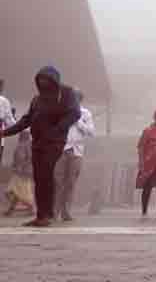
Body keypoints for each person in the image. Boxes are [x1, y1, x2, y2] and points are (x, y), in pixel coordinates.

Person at [0, 66, 82, 228]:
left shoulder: (66, 93)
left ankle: (48, 214)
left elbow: (74, 113)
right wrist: (5, 133)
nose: (43, 82)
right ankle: (41, 215)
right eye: (40, 79)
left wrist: (58, 129)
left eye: (46, 79)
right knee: (39, 178)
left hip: (54, 142)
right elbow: (26, 120)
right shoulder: (37, 99)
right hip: (37, 142)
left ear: (54, 79)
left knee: (46, 174)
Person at [54, 92, 93, 222]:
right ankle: (54, 211)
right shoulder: (59, 111)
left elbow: (90, 132)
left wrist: (77, 120)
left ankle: (66, 212)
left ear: (79, 100)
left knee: (71, 182)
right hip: (61, 150)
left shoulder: (85, 114)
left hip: (77, 152)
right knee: (57, 181)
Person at [4, 131, 35, 216]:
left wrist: (16, 166)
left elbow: (21, 158)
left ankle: (31, 208)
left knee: (17, 191)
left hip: (21, 173)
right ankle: (11, 210)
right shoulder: (30, 145)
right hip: (25, 172)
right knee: (17, 191)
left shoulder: (23, 146)